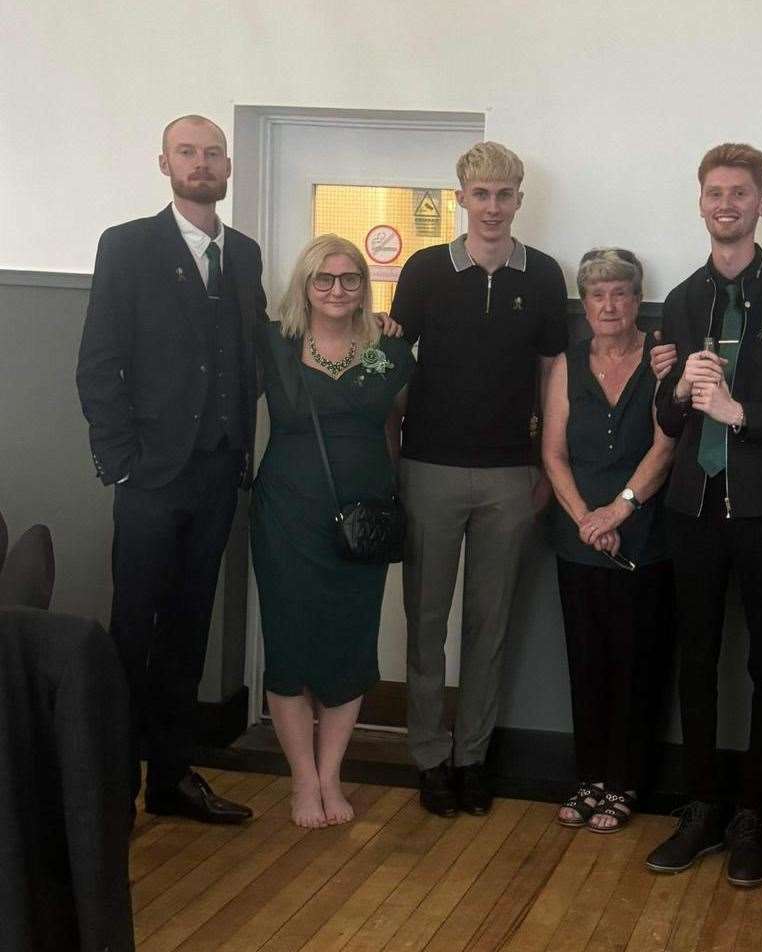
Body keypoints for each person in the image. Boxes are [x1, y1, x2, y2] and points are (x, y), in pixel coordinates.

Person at [645, 144, 762, 887]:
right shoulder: (685, 298)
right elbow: (665, 416)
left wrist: (738, 411)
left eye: (741, 192)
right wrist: (678, 390)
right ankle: (701, 806)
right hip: (693, 505)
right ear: (700, 203)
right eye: (715, 191)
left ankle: (754, 812)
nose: (727, 202)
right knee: (695, 657)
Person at [77, 114, 263, 824]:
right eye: (188, 152)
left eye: (213, 153)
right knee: (134, 632)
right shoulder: (126, 246)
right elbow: (98, 363)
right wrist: (119, 463)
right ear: (165, 164)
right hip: (150, 476)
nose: (202, 163)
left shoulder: (243, 253)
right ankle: (115, 787)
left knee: (190, 629)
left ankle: (174, 778)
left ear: (226, 167)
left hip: (218, 474)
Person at [388, 141, 568, 817]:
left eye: (505, 193)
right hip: (429, 468)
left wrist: (548, 465)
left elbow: (555, 374)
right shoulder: (426, 269)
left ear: (520, 199)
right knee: (426, 622)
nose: (493, 206)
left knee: (489, 626)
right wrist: (391, 456)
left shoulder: (545, 276)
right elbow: (392, 364)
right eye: (481, 193)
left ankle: (473, 756)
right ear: (460, 198)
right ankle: (430, 756)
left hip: (509, 476)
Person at [251, 235, 414, 828]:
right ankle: (300, 782)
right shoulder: (275, 343)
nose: (337, 290)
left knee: (350, 640)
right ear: (306, 285)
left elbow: (397, 430)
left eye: (349, 279)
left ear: (363, 288)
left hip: (362, 518)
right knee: (290, 640)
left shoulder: (389, 350)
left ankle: (331, 776)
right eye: (324, 279)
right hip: (287, 513)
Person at [542, 248, 675, 833]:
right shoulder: (567, 365)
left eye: (620, 292)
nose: (608, 304)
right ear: (585, 303)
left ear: (638, 299)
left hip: (646, 535)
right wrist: (586, 521)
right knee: (587, 661)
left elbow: (665, 447)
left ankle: (625, 782)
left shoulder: (661, 362)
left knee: (637, 662)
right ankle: (590, 776)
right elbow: (552, 452)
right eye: (597, 294)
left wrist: (617, 512)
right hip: (580, 540)